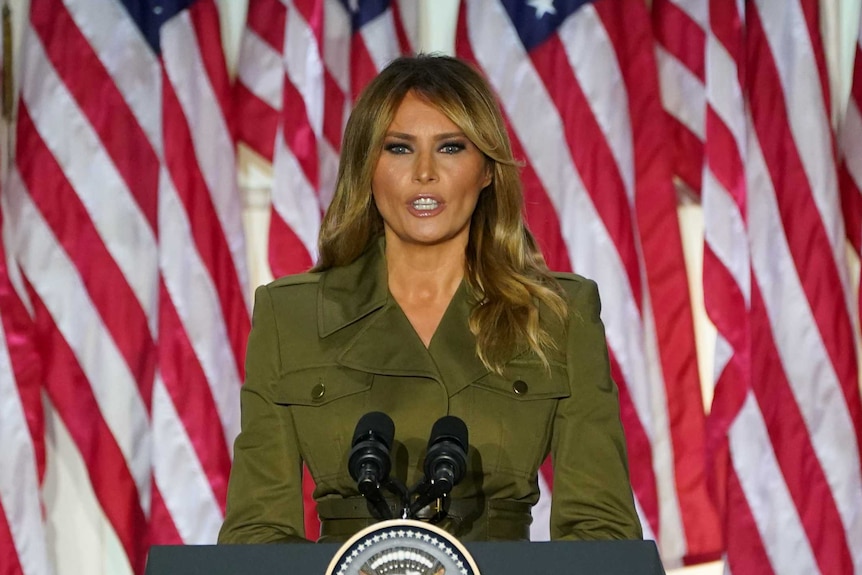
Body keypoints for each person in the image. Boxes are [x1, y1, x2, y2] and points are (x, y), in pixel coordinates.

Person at [218, 54, 642, 544]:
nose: (424, 173)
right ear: (366, 168)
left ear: (486, 170)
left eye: (450, 147)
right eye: (398, 148)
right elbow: (256, 534)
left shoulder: (558, 314)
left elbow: (600, 532)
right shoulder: (290, 315)